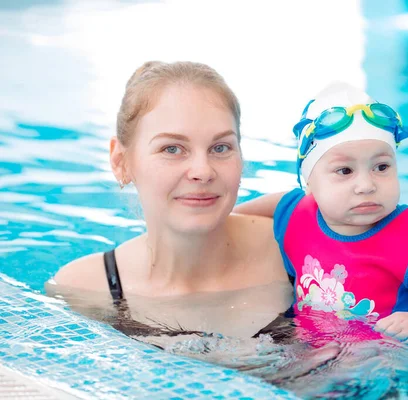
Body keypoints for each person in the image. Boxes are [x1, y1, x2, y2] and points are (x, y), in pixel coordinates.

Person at [46, 61, 294, 340]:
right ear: (121, 162)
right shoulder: (84, 289)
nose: (203, 171)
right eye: (172, 148)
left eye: (220, 147)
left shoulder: (297, 248)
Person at [234, 82, 408, 343]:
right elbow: (274, 204)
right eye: (345, 171)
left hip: (382, 356)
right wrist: (229, 217)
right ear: (309, 183)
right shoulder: (297, 213)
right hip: (309, 340)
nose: (366, 185)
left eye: (381, 167)